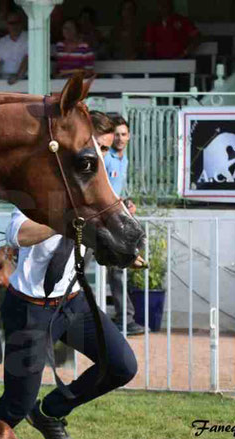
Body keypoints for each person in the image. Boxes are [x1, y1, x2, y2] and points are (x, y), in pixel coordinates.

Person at [0, 128, 140, 439]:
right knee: (16, 403)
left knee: (122, 365)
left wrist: (127, 253)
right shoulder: (44, 196)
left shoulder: (93, 199)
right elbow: (19, 234)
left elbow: (102, 239)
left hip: (73, 303)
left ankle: (51, 411)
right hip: (29, 311)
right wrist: (68, 219)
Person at [101, 114, 144, 335]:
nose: (120, 138)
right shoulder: (107, 158)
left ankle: (124, 318)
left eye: (123, 134)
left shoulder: (123, 159)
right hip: (99, 220)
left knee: (118, 268)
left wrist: (126, 203)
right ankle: (123, 318)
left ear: (129, 136)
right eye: (116, 134)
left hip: (113, 220)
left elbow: (115, 191)